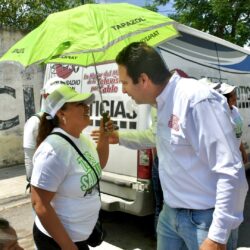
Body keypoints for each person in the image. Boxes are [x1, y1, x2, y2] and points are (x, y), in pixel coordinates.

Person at [115, 42, 248, 250]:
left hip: (204, 220)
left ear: (143, 80)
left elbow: (231, 171)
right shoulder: (160, 105)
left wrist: (217, 236)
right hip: (171, 215)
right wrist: (117, 137)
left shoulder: (197, 100)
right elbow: (153, 137)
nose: (123, 90)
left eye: (124, 83)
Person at [30, 84, 112, 250]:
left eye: (85, 103)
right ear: (61, 113)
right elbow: (40, 204)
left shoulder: (82, 138)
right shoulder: (53, 150)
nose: (86, 107)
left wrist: (104, 137)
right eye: (79, 104)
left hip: (79, 238)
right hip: (59, 242)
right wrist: (68, 247)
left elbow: (98, 166)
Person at [23, 77, 65, 189]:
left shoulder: (67, 119)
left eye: (62, 94)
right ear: (45, 96)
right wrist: (32, 183)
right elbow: (29, 157)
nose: (60, 98)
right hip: (44, 185)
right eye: (55, 94)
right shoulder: (34, 123)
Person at [219, 82, 248, 165]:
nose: (234, 97)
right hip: (228, 156)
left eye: (234, 94)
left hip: (237, 153)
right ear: (224, 98)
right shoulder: (222, 113)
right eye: (230, 96)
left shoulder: (235, 110)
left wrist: (243, 151)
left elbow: (237, 134)